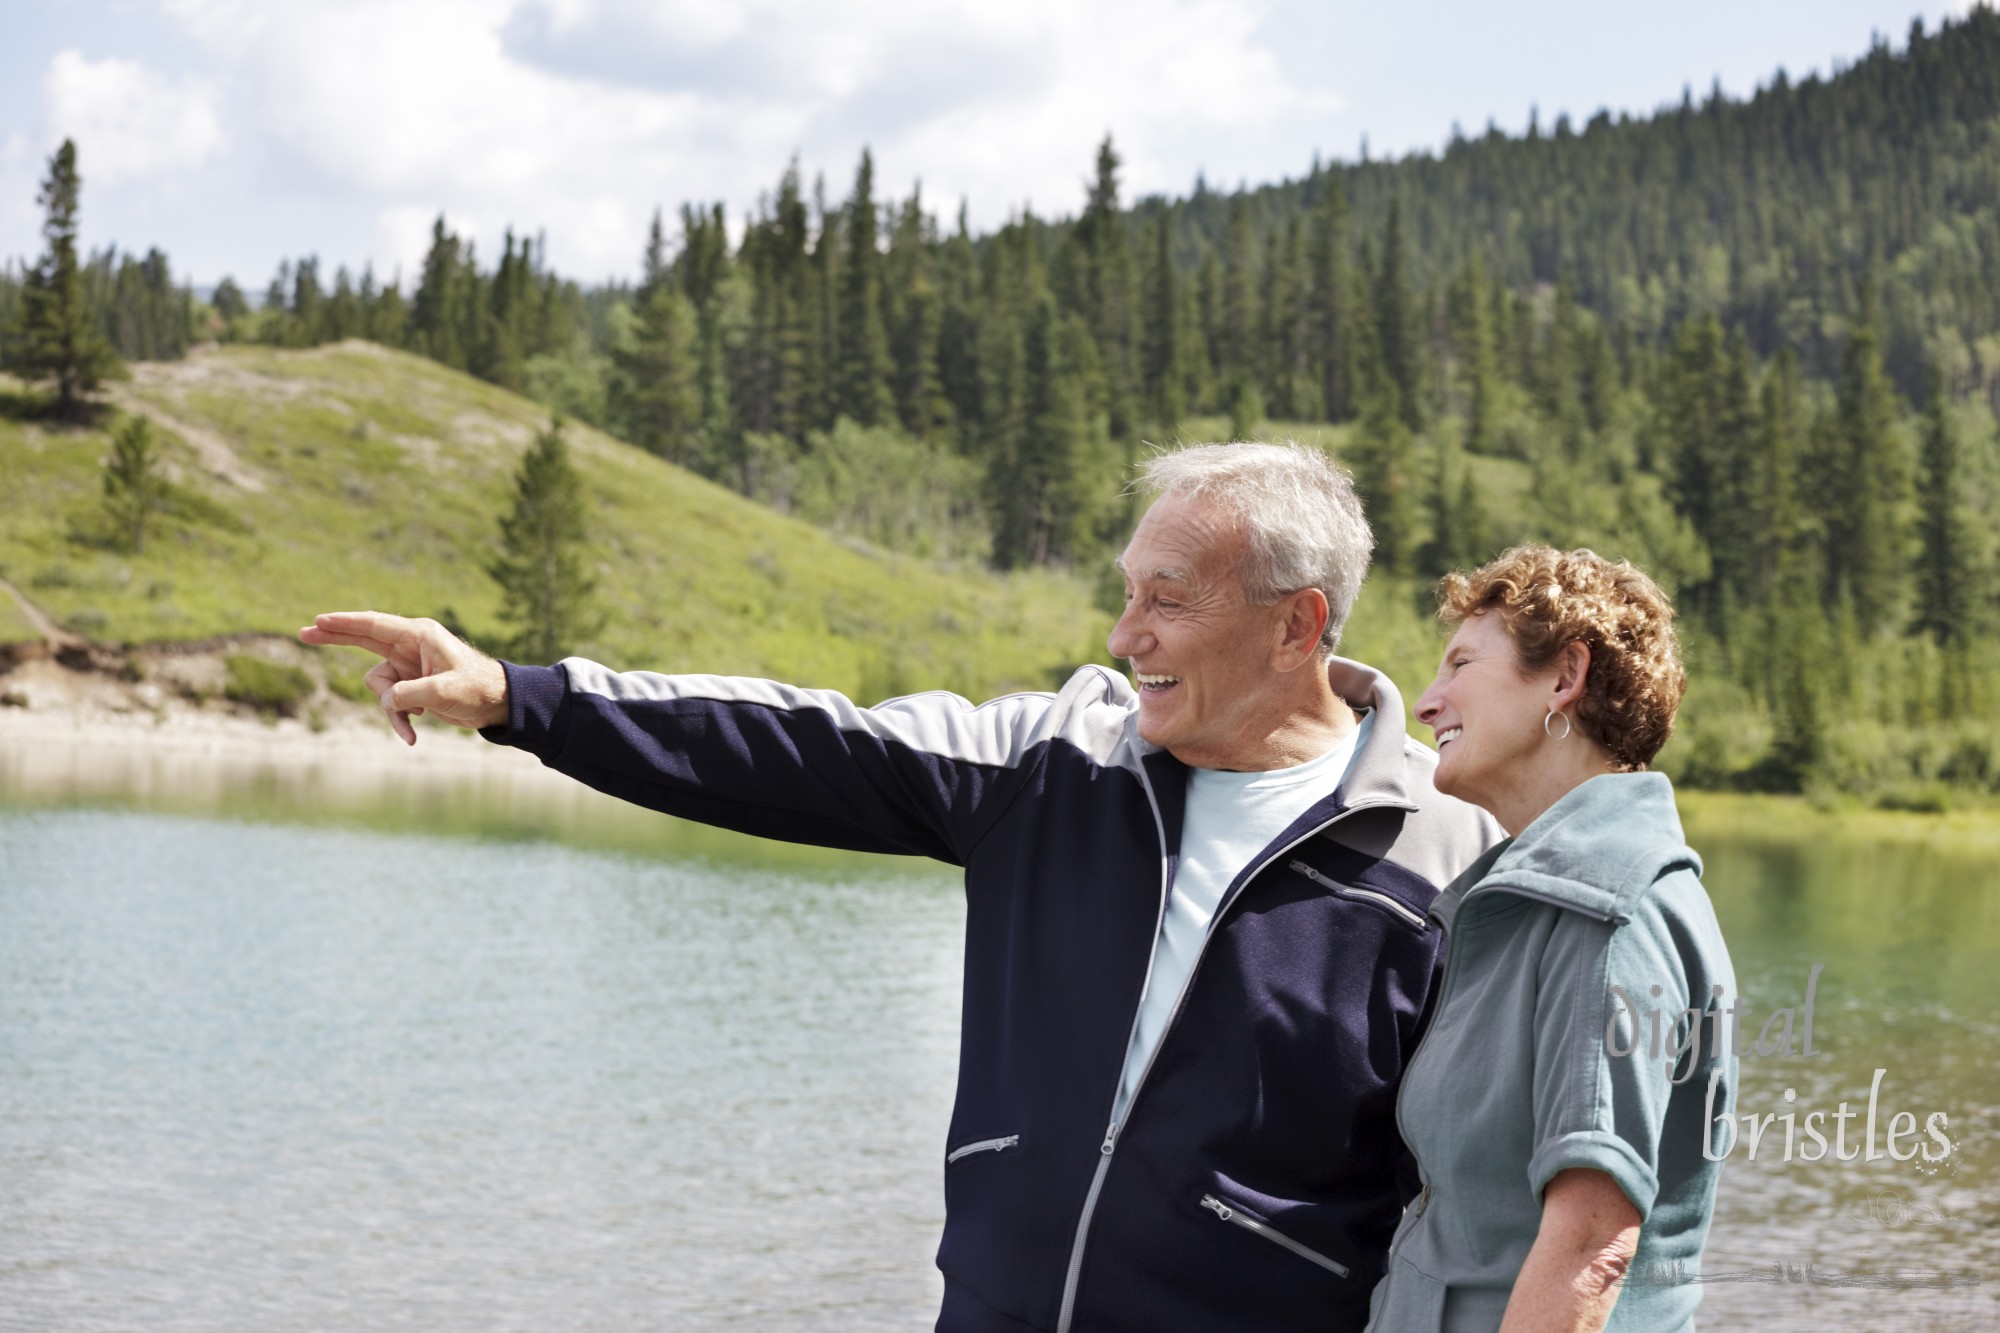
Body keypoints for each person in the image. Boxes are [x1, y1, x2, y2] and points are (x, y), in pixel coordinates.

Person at [302, 441, 1500, 1333]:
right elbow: (793, 743)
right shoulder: (1052, 760)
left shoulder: (1448, 859)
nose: (1125, 630)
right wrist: (523, 697)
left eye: (1167, 598)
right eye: (1128, 588)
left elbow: (1475, 1200)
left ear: (1294, 627)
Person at [1370, 546, 1737, 1333]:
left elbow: (1591, 1245)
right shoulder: (1534, 900)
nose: (1428, 702)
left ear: (1565, 677)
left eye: (1460, 663)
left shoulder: (1608, 909)